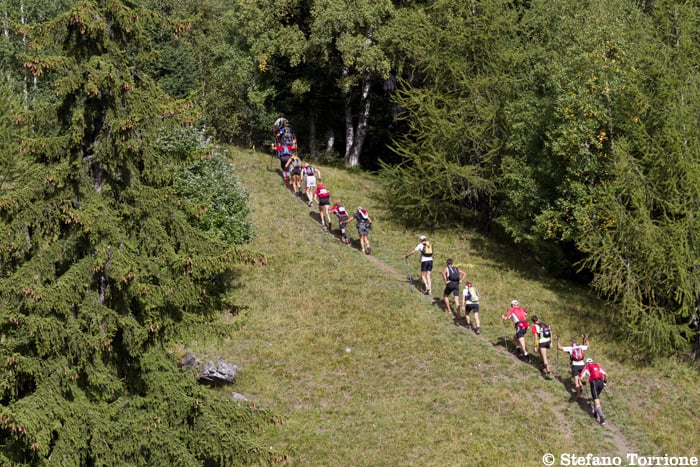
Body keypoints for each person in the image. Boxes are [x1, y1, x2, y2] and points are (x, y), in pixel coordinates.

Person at [556, 335, 591, 400]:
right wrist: (585, 339)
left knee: (576, 382)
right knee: (580, 378)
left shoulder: (570, 348)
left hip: (575, 366)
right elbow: (588, 346)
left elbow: (559, 348)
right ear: (576, 342)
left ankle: (579, 395)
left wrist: (558, 341)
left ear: (571, 343)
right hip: (582, 365)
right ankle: (581, 387)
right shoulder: (581, 347)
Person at [580, 357, 608, 425]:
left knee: (597, 401)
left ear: (587, 363)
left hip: (594, 384)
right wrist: (604, 383)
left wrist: (583, 382)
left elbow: (581, 377)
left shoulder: (587, 367)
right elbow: (606, 375)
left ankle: (601, 419)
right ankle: (595, 411)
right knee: (596, 397)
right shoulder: (597, 366)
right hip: (601, 383)